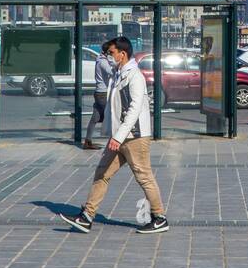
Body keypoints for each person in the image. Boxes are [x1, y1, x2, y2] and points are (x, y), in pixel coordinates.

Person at [60, 36, 168, 235]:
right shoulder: (119, 73)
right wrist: (114, 135)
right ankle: (86, 217)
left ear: (122, 54)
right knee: (102, 173)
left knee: (144, 177)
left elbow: (135, 108)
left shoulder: (134, 76)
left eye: (111, 53)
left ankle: (159, 217)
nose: (109, 57)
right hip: (119, 137)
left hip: (134, 136)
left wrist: (118, 136)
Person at [81, 39, 116, 150]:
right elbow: (112, 72)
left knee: (95, 118)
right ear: (107, 52)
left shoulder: (99, 59)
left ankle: (88, 141)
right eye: (111, 52)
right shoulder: (103, 61)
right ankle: (115, 141)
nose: (112, 54)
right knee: (111, 116)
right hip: (103, 93)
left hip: (99, 92)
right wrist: (114, 62)